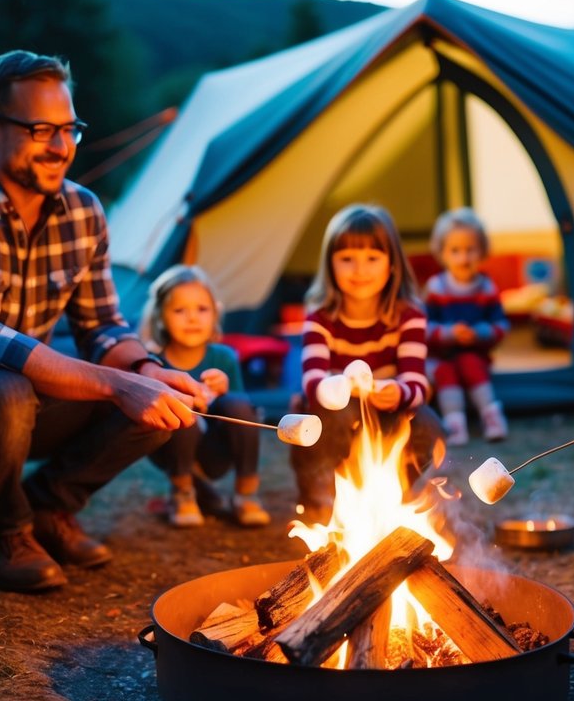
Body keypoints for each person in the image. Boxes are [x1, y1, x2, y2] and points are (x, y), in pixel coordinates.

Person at [0, 50, 205, 593]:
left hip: (29, 389)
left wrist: (147, 367)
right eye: (41, 130)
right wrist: (118, 383)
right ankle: (7, 531)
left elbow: (102, 327)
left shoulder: (83, 210)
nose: (61, 146)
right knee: (3, 387)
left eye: (69, 128)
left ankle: (50, 508)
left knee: (157, 397)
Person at [290, 203, 444, 523]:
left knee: (426, 423)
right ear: (330, 266)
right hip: (337, 412)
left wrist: (397, 392)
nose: (360, 270)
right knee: (327, 417)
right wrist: (341, 388)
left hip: (387, 408)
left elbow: (417, 384)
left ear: (392, 265)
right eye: (347, 259)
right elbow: (312, 380)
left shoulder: (409, 316)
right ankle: (321, 501)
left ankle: (395, 501)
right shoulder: (320, 318)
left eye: (372, 258)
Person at [139, 265, 270, 528]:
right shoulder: (153, 364)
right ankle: (182, 493)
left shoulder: (224, 358)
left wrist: (225, 391)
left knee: (240, 404)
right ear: (160, 317)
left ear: (215, 315)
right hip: (171, 449)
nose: (192, 318)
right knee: (181, 409)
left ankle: (246, 494)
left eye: (202, 309)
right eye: (179, 310)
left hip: (218, 449)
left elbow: (241, 413)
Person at [423, 207, 510, 444]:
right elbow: (423, 328)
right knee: (445, 371)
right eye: (455, 251)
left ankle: (492, 417)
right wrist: (449, 334)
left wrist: (480, 333)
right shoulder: (436, 288)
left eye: (470, 250)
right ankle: (454, 424)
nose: (463, 258)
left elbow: (501, 325)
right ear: (442, 253)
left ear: (482, 251)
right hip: (441, 357)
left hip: (474, 354)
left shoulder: (486, 288)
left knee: (469, 363)